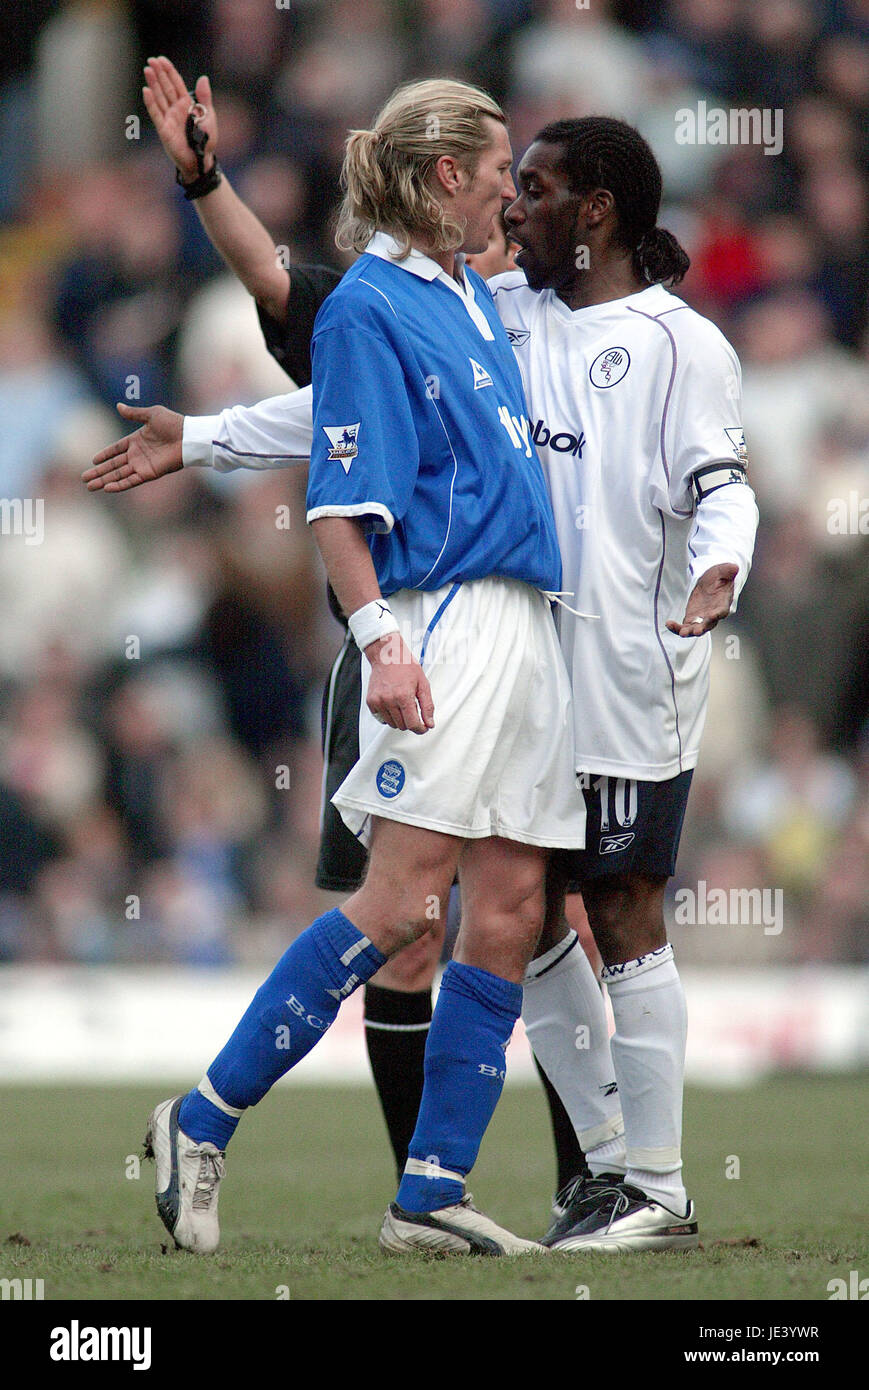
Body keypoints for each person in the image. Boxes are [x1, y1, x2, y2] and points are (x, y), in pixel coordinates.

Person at [86, 112, 759, 1252]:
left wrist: (717, 566)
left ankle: (514, 1187)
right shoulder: (442, 303)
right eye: (505, 177)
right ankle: (216, 1122)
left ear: (590, 211)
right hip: (464, 627)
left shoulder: (602, 326)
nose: (512, 203)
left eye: (530, 185)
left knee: (543, 910)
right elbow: (344, 413)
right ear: (447, 177)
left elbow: (719, 481)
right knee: (430, 906)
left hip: (584, 656)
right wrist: (204, 437)